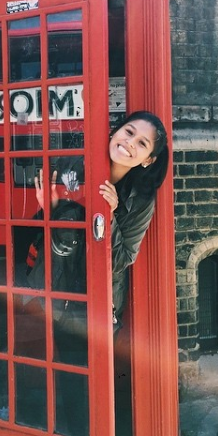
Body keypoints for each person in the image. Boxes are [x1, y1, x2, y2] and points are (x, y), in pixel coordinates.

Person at [34, 110, 169, 332]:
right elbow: (44, 230)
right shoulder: (75, 164)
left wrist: (110, 214)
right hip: (56, 289)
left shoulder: (141, 199)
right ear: (115, 131)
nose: (130, 142)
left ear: (148, 160)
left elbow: (122, 258)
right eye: (129, 132)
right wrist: (50, 208)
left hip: (99, 303)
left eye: (142, 143)